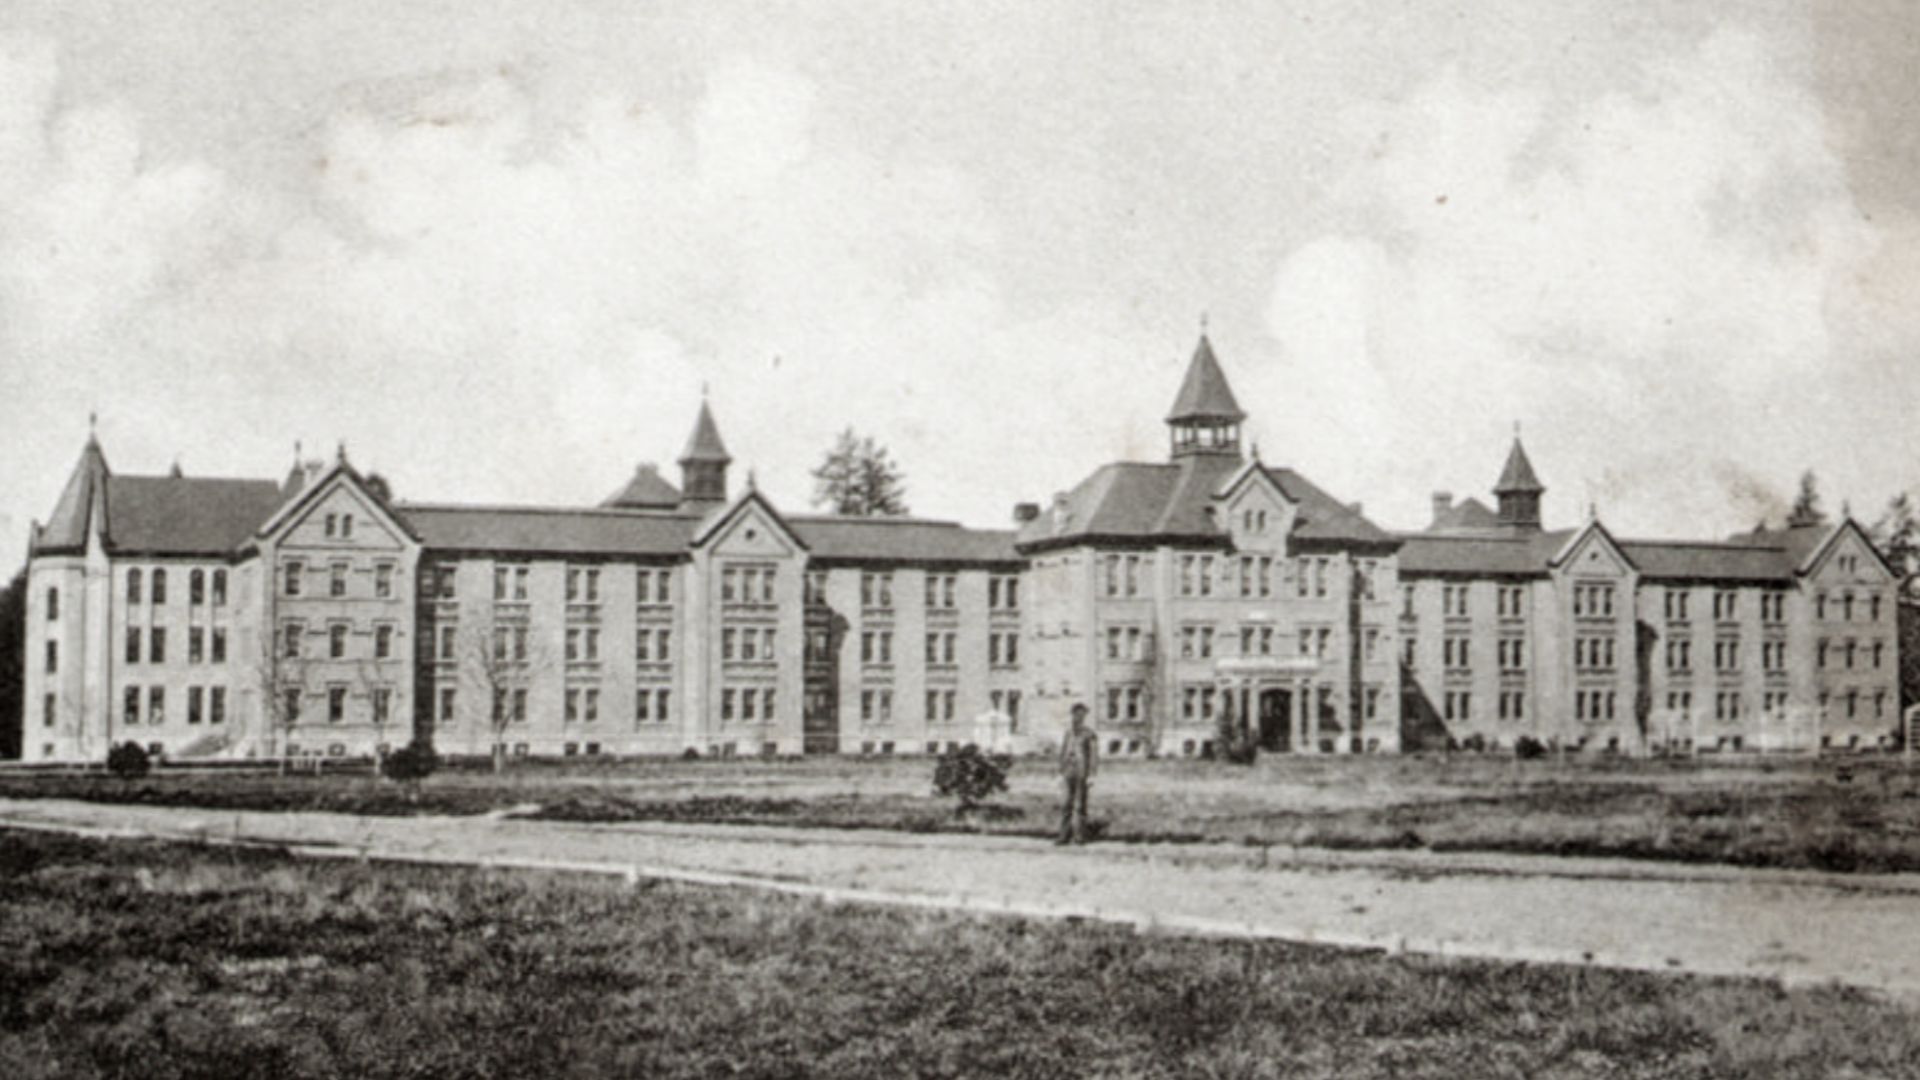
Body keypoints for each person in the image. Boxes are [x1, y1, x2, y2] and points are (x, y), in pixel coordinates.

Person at [1057, 703, 1098, 844]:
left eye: (1080, 715)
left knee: (1080, 805)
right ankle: (1063, 836)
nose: (1077, 718)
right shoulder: (1068, 733)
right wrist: (1060, 772)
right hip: (1068, 771)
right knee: (1065, 804)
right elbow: (1063, 752)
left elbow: (1093, 756)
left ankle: (1080, 836)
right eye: (1075, 714)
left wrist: (1092, 775)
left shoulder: (1089, 734)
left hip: (1082, 772)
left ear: (1084, 717)